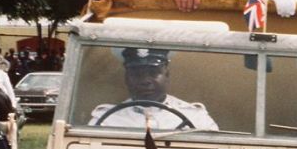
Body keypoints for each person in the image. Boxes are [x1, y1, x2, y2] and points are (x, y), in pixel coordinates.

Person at [89, 48, 218, 130]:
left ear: (167, 75)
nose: (145, 81)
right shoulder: (106, 121)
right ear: (127, 78)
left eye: (153, 73)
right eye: (137, 74)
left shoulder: (196, 117)